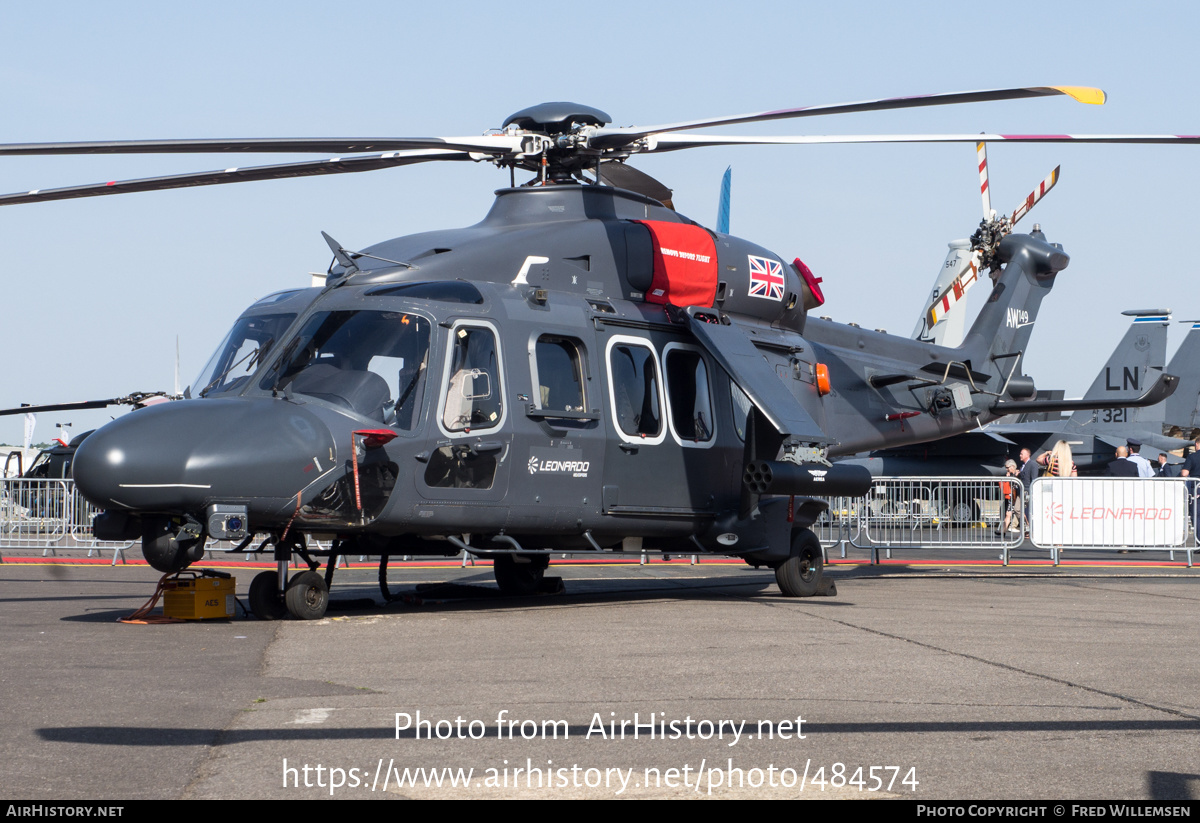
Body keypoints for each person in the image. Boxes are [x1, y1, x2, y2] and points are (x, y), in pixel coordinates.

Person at [997, 458, 1021, 536]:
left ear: (1012, 466)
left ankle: (1027, 526)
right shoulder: (1009, 475)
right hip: (1010, 497)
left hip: (1016, 497)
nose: (1007, 470)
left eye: (1008, 468)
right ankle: (1003, 531)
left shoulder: (1018, 474)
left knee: (1016, 513)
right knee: (1008, 514)